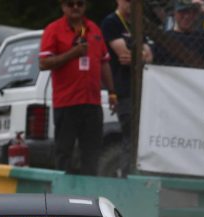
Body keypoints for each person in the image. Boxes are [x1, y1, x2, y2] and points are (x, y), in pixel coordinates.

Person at [40, 0, 117, 176]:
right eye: (70, 3)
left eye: (80, 3)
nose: (75, 7)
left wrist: (112, 92)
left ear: (85, 6)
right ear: (62, 6)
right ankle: (62, 197)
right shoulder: (53, 30)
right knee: (64, 152)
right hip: (67, 103)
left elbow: (104, 62)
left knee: (92, 153)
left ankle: (88, 197)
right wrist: (72, 54)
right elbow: (43, 63)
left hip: (92, 102)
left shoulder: (95, 29)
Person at [101, 0, 153, 176]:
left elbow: (149, 56)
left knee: (140, 139)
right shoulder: (111, 22)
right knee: (130, 136)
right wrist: (141, 56)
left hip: (141, 91)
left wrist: (140, 57)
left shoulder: (136, 24)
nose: (131, 3)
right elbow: (124, 55)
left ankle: (135, 175)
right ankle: (124, 176)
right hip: (124, 90)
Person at [153, 0, 204, 68]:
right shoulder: (164, 37)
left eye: (191, 12)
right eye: (182, 12)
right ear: (175, 13)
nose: (187, 16)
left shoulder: (201, 36)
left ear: (196, 15)